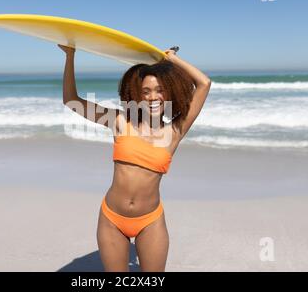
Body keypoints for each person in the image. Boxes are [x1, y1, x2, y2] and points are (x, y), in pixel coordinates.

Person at [59, 44, 211, 271]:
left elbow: (204, 84)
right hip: (112, 219)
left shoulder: (175, 131)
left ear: (169, 92)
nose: (153, 97)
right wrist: (70, 56)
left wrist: (171, 60)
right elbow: (71, 100)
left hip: (150, 221)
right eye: (146, 92)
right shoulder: (120, 121)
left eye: (159, 90)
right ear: (137, 96)